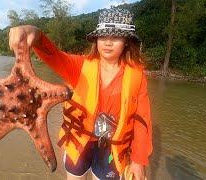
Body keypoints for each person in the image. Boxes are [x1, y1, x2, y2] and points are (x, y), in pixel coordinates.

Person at [9, 8, 152, 180]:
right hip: (79, 141)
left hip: (112, 146)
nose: (107, 42)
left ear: (127, 42)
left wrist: (138, 161)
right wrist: (36, 35)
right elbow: (54, 56)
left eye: (115, 37)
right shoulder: (79, 66)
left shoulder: (137, 76)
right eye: (103, 36)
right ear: (96, 39)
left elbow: (142, 120)